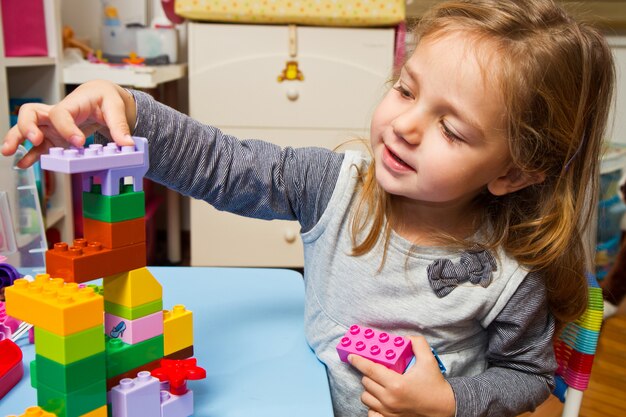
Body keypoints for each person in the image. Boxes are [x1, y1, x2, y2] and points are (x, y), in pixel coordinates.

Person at [1, 1, 615, 416]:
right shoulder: (335, 184)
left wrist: (448, 402)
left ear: (511, 172)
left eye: (451, 130)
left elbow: (528, 376)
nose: (403, 126)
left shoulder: (514, 271)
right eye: (405, 89)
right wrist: (124, 111)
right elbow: (220, 162)